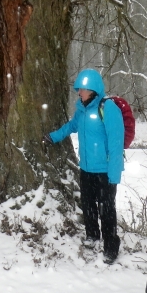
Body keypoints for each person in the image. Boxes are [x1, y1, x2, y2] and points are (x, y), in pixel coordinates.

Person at [44, 69, 125, 264]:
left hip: (105, 171)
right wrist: (53, 136)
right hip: (86, 169)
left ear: (93, 89)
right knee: (88, 205)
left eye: (82, 89)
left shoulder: (108, 108)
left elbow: (116, 143)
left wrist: (114, 175)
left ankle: (111, 247)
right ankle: (92, 235)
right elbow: (72, 127)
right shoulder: (82, 110)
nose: (79, 92)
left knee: (107, 210)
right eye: (78, 89)